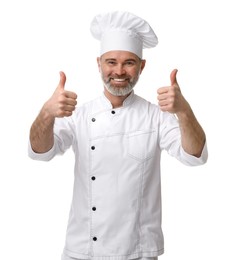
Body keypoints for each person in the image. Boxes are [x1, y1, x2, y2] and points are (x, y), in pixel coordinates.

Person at [28, 11, 208, 260]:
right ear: (99, 64)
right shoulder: (80, 115)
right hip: (83, 250)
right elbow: (40, 152)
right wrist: (47, 113)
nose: (119, 71)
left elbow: (195, 155)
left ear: (142, 66)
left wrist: (184, 111)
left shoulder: (155, 116)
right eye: (111, 62)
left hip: (138, 251)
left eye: (129, 62)